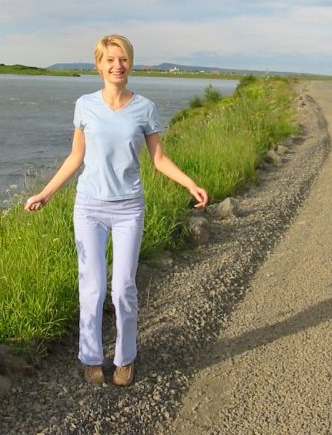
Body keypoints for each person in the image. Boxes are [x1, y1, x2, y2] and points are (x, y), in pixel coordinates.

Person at [24, 34, 208, 387]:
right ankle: (91, 357)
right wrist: (45, 193)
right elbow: (76, 156)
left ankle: (125, 358)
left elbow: (159, 159)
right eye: (110, 59)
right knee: (92, 286)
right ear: (99, 65)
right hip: (89, 207)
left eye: (122, 59)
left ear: (130, 63)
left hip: (128, 209)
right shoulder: (84, 105)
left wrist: (190, 183)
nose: (117, 65)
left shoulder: (145, 108)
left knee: (123, 287)